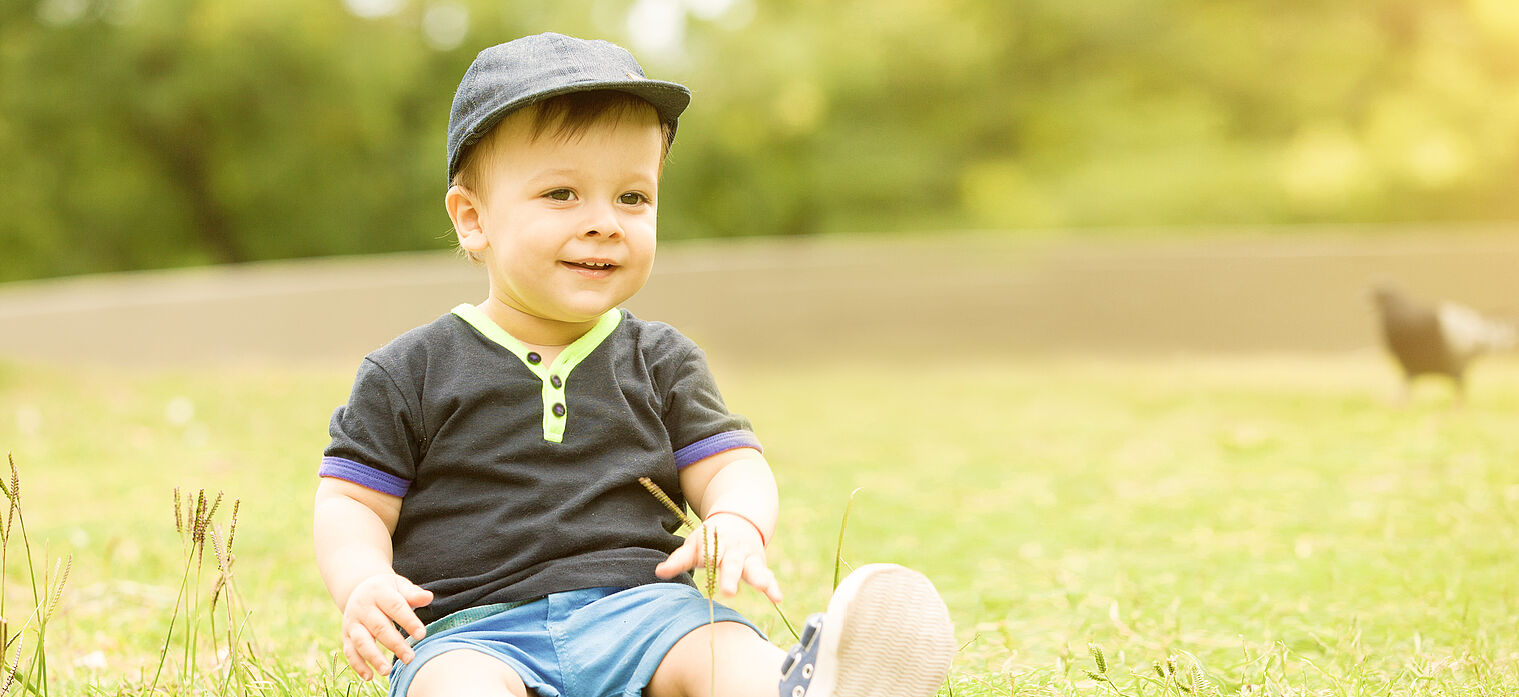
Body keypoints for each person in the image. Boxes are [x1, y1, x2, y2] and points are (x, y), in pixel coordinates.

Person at [311, 32, 955, 697]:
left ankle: (795, 686)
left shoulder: (660, 360)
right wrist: (363, 580)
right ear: (473, 219)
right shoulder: (409, 370)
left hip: (645, 611)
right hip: (473, 628)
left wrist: (734, 518)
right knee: (455, 687)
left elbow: (730, 463)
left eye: (632, 198)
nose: (604, 223)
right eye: (562, 194)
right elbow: (351, 500)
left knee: (720, 647)